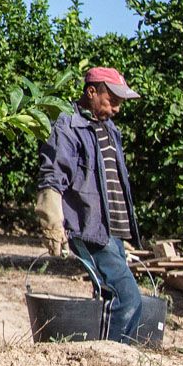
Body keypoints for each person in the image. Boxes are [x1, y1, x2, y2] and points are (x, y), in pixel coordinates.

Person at [34, 66, 146, 344]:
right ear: (91, 92)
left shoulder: (110, 130)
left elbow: (114, 185)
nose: (118, 108)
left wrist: (123, 234)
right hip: (89, 227)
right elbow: (53, 175)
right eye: (113, 101)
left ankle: (112, 355)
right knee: (128, 298)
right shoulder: (68, 127)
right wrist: (51, 222)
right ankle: (113, 357)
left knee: (114, 296)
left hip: (111, 231)